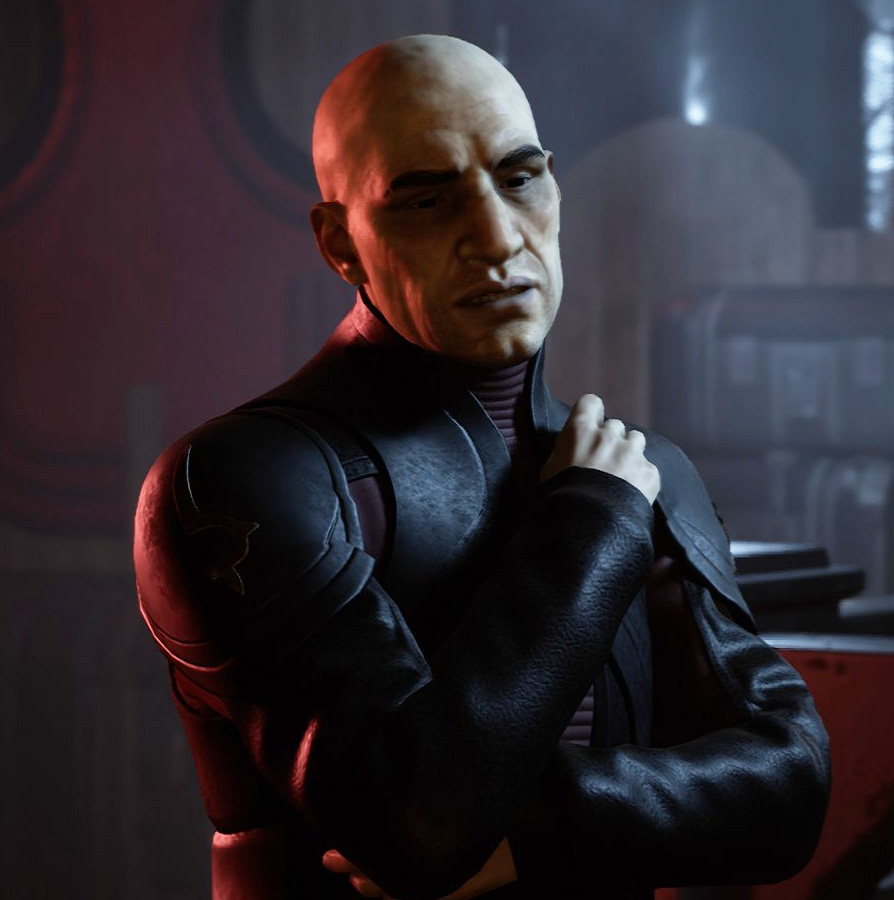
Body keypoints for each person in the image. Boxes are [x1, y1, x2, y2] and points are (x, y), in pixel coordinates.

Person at [133, 34, 830, 900]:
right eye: (426, 200)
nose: (497, 240)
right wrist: (591, 522)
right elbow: (418, 824)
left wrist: (535, 832)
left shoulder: (639, 473)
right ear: (341, 243)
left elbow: (790, 785)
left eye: (519, 177)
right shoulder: (239, 481)